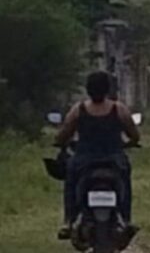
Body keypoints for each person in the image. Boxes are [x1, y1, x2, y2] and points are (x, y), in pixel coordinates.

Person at [55, 71, 140, 239]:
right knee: (125, 180)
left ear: (88, 89)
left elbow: (63, 134)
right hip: (114, 159)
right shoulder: (119, 109)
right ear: (108, 89)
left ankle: (69, 221)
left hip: (83, 160)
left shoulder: (78, 110)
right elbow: (134, 135)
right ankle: (126, 218)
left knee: (70, 182)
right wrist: (129, 143)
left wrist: (61, 143)